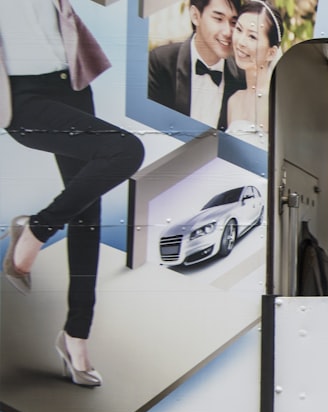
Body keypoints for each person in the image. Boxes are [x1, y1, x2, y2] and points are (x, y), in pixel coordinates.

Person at [1, 0, 145, 387]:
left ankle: (75, 336)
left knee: (87, 210)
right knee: (127, 150)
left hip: (71, 82)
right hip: (21, 98)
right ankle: (37, 229)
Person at [147, 0, 246, 129]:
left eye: (233, 22)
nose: (228, 32)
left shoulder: (241, 78)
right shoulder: (161, 62)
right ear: (195, 16)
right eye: (218, 19)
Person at [226, 0, 282, 146]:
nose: (241, 42)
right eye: (238, 29)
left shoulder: (276, 103)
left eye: (252, 37)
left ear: (271, 53)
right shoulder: (233, 101)